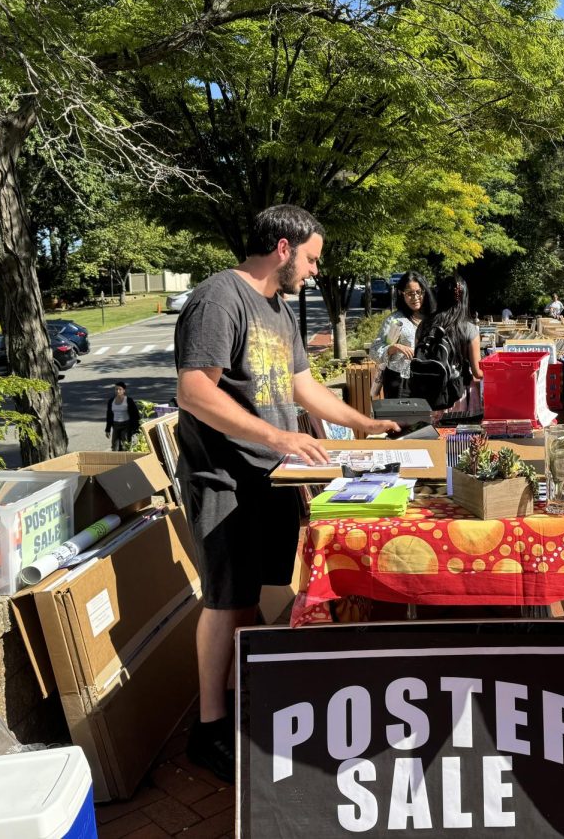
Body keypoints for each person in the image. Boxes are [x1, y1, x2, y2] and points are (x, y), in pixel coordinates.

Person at [174, 204, 399, 783]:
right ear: (283, 247)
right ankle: (208, 728)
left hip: (271, 476)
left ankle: (235, 704)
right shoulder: (219, 298)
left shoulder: (276, 310)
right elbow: (195, 392)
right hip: (224, 477)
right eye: (313, 258)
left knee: (249, 597)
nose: (316, 271)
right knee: (226, 600)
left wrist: (362, 423)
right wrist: (277, 435)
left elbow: (301, 386)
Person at [416, 274, 483, 411]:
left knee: (435, 432)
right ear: (464, 298)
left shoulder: (425, 325)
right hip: (459, 394)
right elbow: (477, 372)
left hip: (429, 395)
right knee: (460, 432)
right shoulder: (468, 328)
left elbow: (418, 358)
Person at [369, 271, 435, 399]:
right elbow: (374, 350)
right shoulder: (395, 320)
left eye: (419, 292)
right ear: (401, 294)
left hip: (429, 380)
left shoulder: (434, 318)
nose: (415, 297)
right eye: (410, 293)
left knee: (426, 419)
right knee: (400, 419)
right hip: (400, 383)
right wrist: (394, 348)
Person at [104, 382, 141, 451]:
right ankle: (116, 460)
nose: (118, 391)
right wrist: (107, 429)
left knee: (125, 446)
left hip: (126, 425)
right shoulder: (111, 401)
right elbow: (109, 415)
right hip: (115, 425)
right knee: (115, 446)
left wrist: (136, 428)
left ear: (124, 390)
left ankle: (126, 460)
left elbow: (135, 414)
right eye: (116, 389)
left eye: (120, 389)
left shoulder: (129, 400)